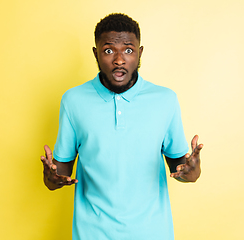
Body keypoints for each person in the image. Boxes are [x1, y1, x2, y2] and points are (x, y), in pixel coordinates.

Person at [40, 13, 203, 240]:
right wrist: (51, 177)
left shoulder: (165, 99)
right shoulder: (73, 100)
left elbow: (181, 169)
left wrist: (191, 171)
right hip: (92, 233)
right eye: (108, 51)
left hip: (152, 233)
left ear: (140, 53)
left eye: (128, 50)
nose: (119, 59)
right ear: (96, 53)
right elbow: (60, 173)